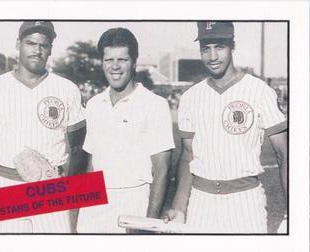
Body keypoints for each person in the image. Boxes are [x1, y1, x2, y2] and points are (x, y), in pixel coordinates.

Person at [165, 21, 287, 233]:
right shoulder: (190, 97)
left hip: (245, 201)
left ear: (233, 46)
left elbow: (284, 155)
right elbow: (187, 156)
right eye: (206, 48)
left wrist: (293, 211)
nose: (212, 56)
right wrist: (179, 206)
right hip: (201, 202)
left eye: (219, 47)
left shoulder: (259, 91)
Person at [0, 21, 86, 233]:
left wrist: (74, 202)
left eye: (44, 45)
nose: (37, 50)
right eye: (31, 43)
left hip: (52, 187)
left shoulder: (67, 89)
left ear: (51, 48)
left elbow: (80, 150)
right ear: (18, 44)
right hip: (8, 183)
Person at [77, 27, 175, 233]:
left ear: (134, 62)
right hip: (94, 207)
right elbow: (91, 165)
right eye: (109, 60)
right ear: (101, 62)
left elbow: (162, 170)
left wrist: (149, 223)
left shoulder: (154, 104)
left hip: (134, 202)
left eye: (122, 60)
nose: (115, 67)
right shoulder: (94, 104)